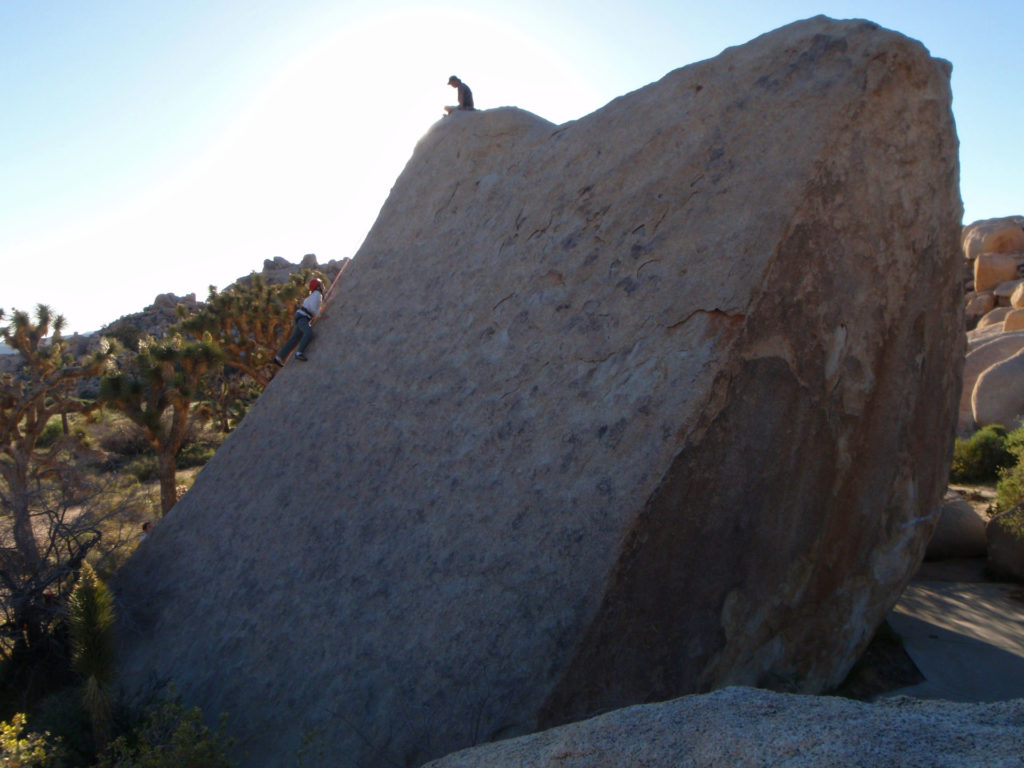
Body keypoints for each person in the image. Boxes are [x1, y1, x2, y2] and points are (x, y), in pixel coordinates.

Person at [273, 278, 326, 365]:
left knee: (294, 339)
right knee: (308, 333)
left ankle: (278, 357)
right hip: (303, 317)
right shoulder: (317, 294)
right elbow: (313, 308)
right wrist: (320, 315)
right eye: (320, 284)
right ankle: (299, 353)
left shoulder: (313, 295)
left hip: (300, 316)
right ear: (317, 286)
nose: (322, 285)